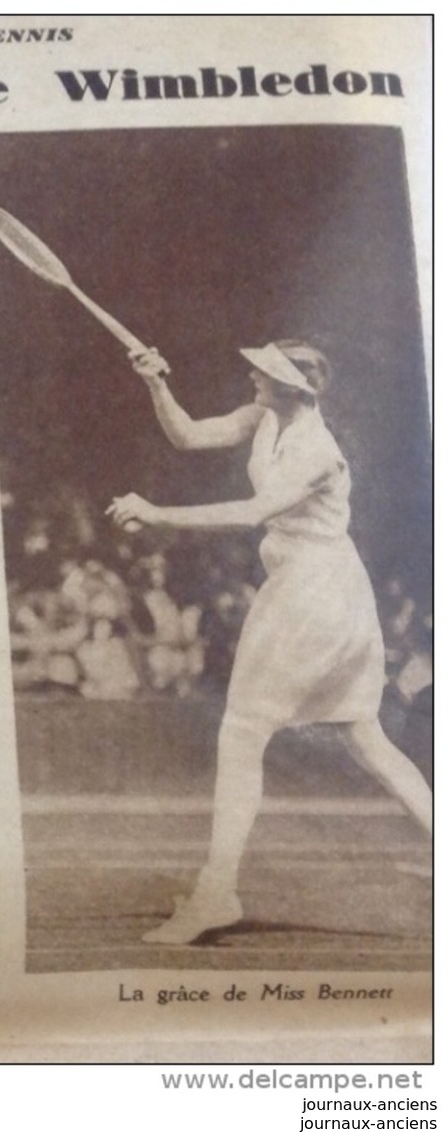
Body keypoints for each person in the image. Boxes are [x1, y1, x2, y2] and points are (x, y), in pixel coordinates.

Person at [109, 340, 433, 943]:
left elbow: (248, 513)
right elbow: (189, 435)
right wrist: (156, 383)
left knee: (243, 732)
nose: (253, 373)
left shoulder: (316, 450)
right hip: (307, 587)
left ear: (294, 387)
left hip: (320, 595)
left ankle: (216, 893)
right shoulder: (266, 414)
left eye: (266, 371)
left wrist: (156, 513)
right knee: (365, 737)